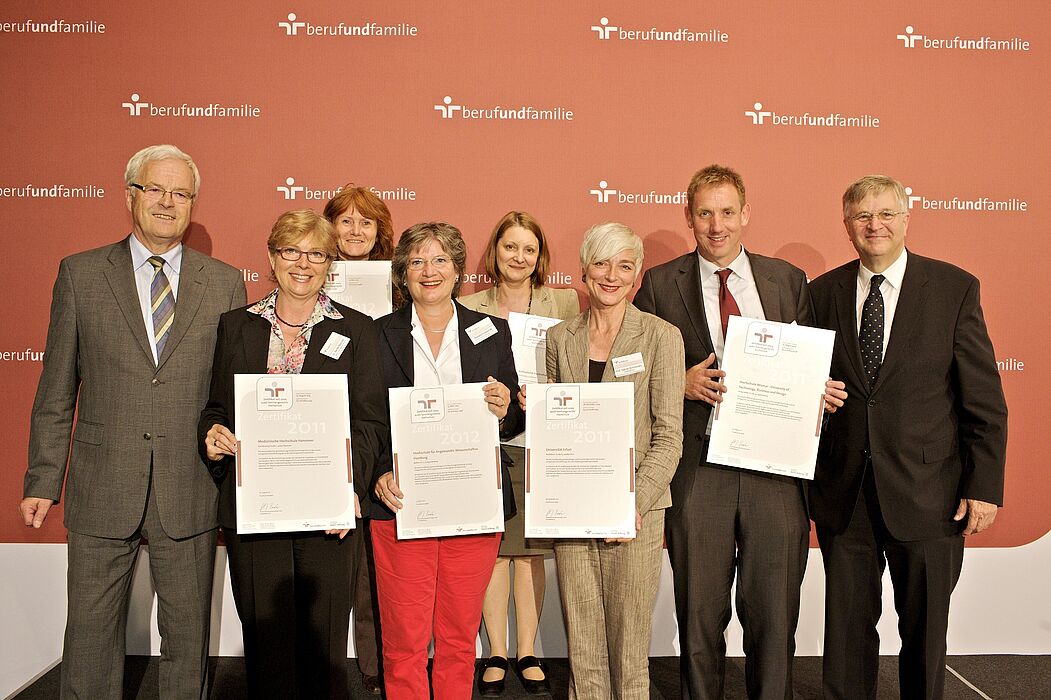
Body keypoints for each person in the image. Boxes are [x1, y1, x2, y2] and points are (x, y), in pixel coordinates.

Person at [19, 144, 246, 698]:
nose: (168, 202)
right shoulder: (80, 275)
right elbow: (56, 389)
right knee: (91, 633)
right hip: (101, 484)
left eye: (181, 193)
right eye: (156, 189)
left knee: (188, 636)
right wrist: (43, 480)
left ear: (193, 203)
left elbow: (234, 394)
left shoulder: (225, 284)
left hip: (190, 484)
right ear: (130, 195)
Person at [634, 163, 846, 699]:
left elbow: (808, 362)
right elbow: (626, 364)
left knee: (774, 615)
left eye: (727, 212)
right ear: (689, 217)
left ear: (746, 214)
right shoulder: (660, 285)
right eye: (704, 213)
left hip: (775, 469)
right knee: (699, 614)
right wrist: (675, 383)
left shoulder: (787, 279)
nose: (716, 225)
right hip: (698, 468)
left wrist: (816, 392)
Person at [809, 175, 1007, 700]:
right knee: (846, 637)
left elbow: (982, 399)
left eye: (885, 214)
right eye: (862, 216)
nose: (874, 225)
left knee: (924, 637)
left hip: (929, 494)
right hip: (845, 495)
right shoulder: (821, 292)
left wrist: (983, 484)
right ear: (847, 224)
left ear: (906, 218)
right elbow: (807, 385)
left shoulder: (953, 288)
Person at [197, 209, 388, 699]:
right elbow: (215, 407)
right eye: (291, 251)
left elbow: (369, 423)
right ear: (271, 257)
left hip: (329, 512)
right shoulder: (235, 326)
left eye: (316, 254)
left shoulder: (360, 330)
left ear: (331, 264)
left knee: (323, 644)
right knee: (266, 644)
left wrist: (350, 490)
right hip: (255, 506)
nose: (302, 263)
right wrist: (213, 434)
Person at [370, 221, 523, 699]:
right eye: (416, 261)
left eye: (439, 260)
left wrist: (505, 410)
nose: (428, 271)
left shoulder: (491, 332)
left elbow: (515, 417)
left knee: (459, 638)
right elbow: (365, 417)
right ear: (403, 274)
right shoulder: (377, 335)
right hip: (401, 504)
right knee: (404, 641)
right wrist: (377, 473)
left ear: (458, 270)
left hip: (472, 502)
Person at [544, 222, 685, 698]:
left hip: (638, 515)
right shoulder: (560, 339)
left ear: (637, 275)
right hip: (574, 511)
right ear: (583, 269)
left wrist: (633, 504)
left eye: (623, 265)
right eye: (601, 263)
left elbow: (668, 437)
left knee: (628, 647)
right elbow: (551, 432)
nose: (611, 275)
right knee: (582, 642)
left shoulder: (661, 337)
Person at [458, 211, 579, 696]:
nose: (520, 257)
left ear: (540, 256)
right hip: (485, 438)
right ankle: (496, 651)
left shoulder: (565, 301)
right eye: (511, 247)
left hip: (540, 441)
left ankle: (528, 649)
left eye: (529, 249)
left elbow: (577, 363)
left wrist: (549, 392)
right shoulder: (468, 304)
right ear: (495, 251)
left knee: (529, 553)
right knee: (493, 552)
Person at [324, 184, 397, 694]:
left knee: (376, 567)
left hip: (383, 427)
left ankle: (378, 667)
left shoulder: (399, 284)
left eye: (365, 222)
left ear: (379, 232)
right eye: (344, 221)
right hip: (322, 431)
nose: (354, 231)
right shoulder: (307, 280)